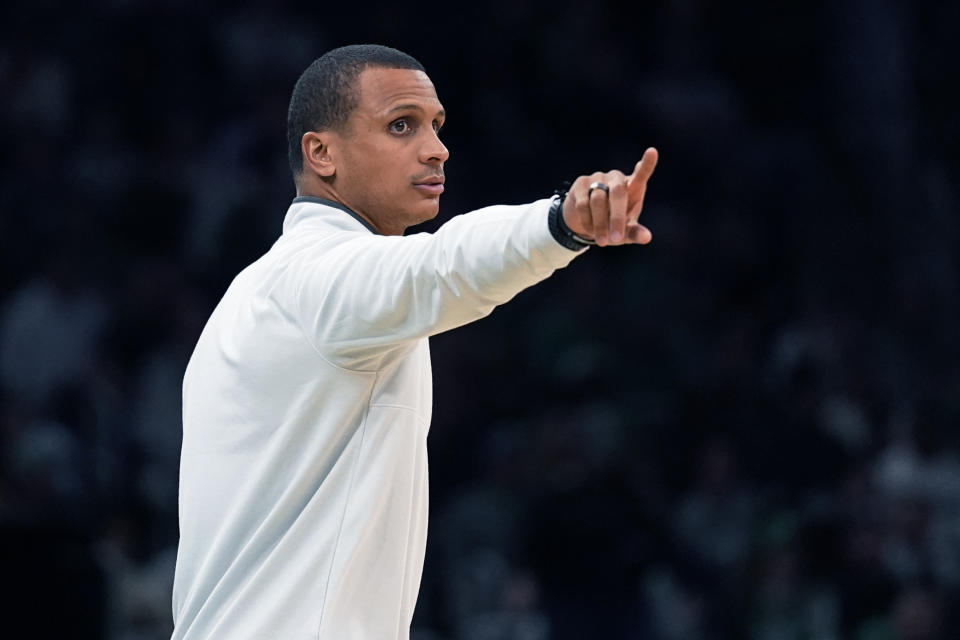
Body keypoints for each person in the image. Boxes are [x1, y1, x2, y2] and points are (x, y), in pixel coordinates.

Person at [171, 44, 658, 640]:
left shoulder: (258, 291)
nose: (436, 148)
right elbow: (442, 267)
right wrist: (559, 224)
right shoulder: (321, 280)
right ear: (321, 152)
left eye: (436, 126)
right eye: (401, 126)